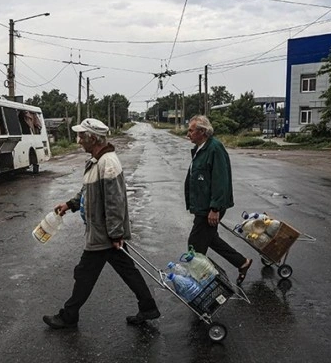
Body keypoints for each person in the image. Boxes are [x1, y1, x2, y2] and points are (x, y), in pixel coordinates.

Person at [43, 118, 160, 329]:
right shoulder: (97, 160)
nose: (78, 141)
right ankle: (148, 307)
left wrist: (115, 234)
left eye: (81, 136)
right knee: (126, 270)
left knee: (84, 274)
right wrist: (70, 204)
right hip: (103, 232)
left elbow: (114, 202)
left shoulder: (108, 163)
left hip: (103, 234)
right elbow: (88, 192)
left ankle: (69, 315)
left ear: (93, 138)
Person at [184, 115, 253, 286]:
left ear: (202, 131)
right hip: (203, 206)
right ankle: (242, 262)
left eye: (191, 130)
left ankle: (203, 282)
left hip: (210, 207)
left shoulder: (215, 148)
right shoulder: (202, 148)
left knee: (195, 245)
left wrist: (215, 208)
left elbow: (220, 180)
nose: (188, 134)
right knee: (211, 239)